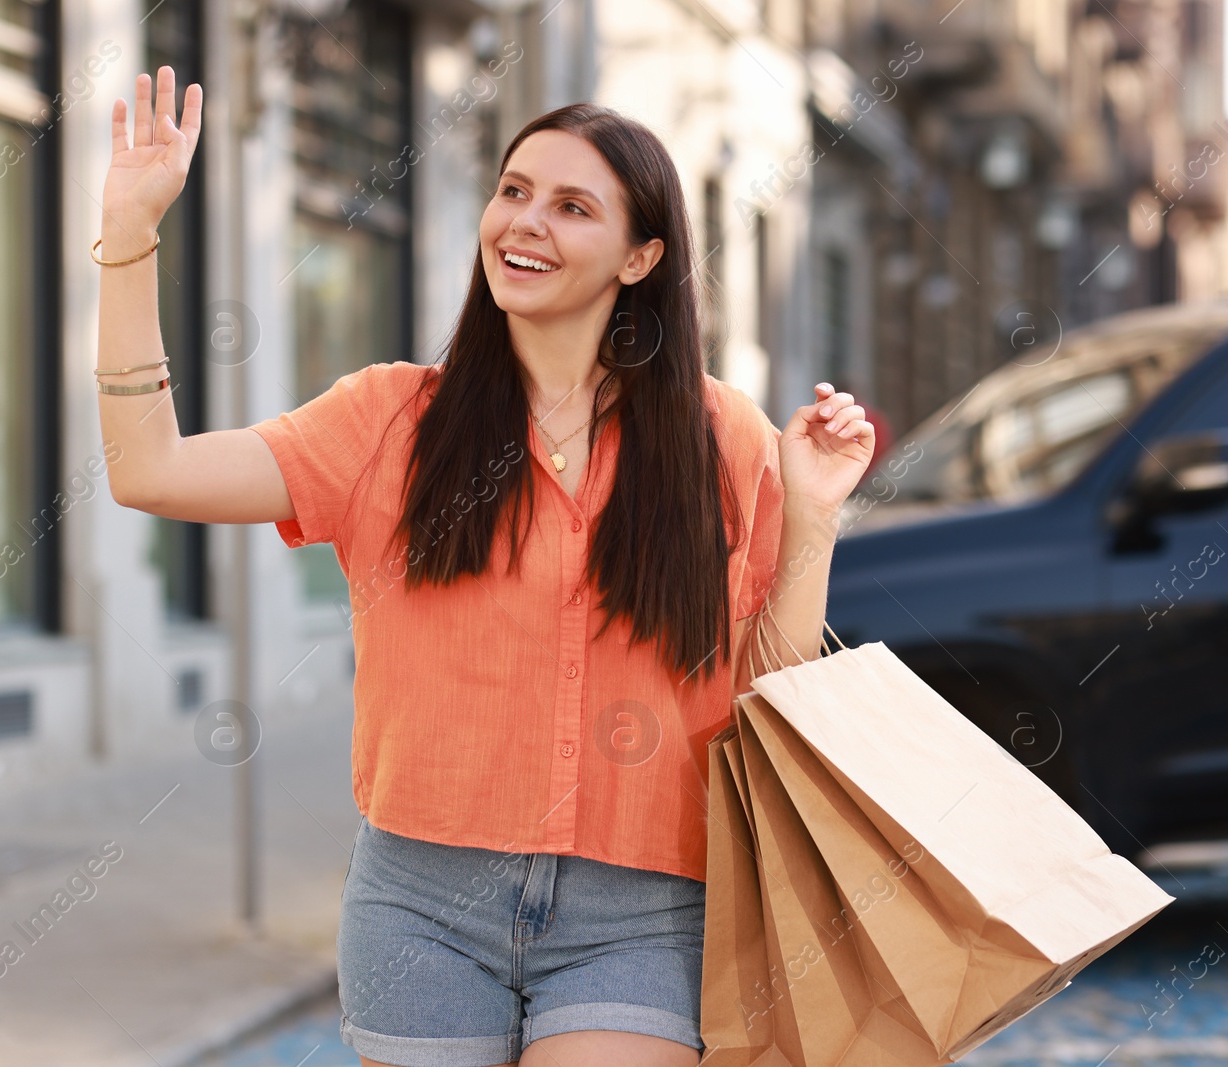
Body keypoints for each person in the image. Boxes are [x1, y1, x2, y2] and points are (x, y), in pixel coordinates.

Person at [94, 67, 874, 1067]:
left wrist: (809, 517)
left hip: (642, 909)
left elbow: (772, 690)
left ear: (640, 256)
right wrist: (129, 236)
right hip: (420, 901)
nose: (526, 222)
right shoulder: (387, 419)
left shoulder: (719, 437)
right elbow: (149, 471)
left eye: (570, 206)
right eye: (513, 192)